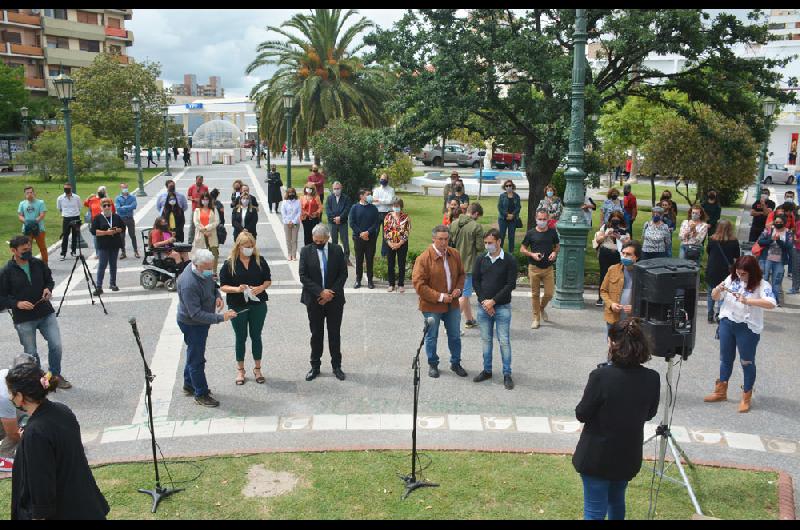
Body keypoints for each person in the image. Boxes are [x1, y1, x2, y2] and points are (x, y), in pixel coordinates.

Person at [572, 317, 660, 520]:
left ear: (612, 344)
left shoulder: (601, 376)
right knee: (617, 502)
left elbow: (582, 413)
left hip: (597, 457)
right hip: (627, 455)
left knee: (594, 511)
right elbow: (649, 413)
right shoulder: (652, 378)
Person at [6, 361, 109, 519]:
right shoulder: (62, 410)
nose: (9, 397)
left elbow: (41, 485)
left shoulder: (35, 433)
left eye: (11, 392)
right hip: (85, 502)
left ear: (20, 396)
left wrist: (38, 516)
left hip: (64, 511)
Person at [706, 255, 777, 412]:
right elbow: (715, 297)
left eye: (743, 273)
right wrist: (717, 289)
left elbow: (771, 303)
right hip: (727, 322)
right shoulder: (732, 279)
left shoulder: (762, 285)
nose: (740, 276)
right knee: (725, 358)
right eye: (738, 272)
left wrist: (748, 301)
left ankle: (746, 395)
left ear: (752, 272)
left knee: (746, 361)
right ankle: (721, 391)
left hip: (747, 327)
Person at [0, 236, 71, 389]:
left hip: (45, 312)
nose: (28, 252)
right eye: (24, 250)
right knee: (31, 353)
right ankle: (39, 380)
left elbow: (49, 280)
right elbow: (2, 297)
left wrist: (48, 289)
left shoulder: (38, 263)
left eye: (30, 249)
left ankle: (55, 375)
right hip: (24, 319)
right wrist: (17, 304)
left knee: (56, 345)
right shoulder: (6, 272)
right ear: (13, 250)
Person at [177, 249, 237, 407]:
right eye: (208, 268)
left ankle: (189, 385)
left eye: (212, 267)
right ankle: (200, 394)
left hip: (199, 323)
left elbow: (212, 285)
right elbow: (195, 314)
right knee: (197, 360)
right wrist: (221, 317)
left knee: (193, 353)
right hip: (193, 324)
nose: (211, 271)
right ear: (196, 265)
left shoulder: (201, 271)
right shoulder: (188, 284)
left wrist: (217, 297)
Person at [412, 225, 467, 379]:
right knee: (431, 336)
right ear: (433, 239)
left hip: (452, 304)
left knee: (455, 335)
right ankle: (433, 364)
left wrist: (458, 289)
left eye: (446, 239)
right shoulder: (423, 259)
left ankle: (455, 363)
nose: (444, 242)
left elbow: (462, 274)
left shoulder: (454, 254)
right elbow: (419, 285)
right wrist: (441, 297)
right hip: (431, 305)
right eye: (440, 239)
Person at [219, 232, 272, 386]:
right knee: (240, 337)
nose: (249, 249)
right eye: (246, 247)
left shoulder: (260, 261)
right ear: (238, 247)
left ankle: (257, 368)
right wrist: (237, 289)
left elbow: (268, 280)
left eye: (251, 246)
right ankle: (240, 370)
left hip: (258, 304)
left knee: (256, 336)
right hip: (237, 305)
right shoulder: (229, 264)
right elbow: (223, 286)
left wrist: (261, 288)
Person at [299, 224, 348, 381]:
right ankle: (315, 366)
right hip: (314, 300)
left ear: (328, 238)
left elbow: (343, 274)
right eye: (315, 240)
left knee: (334, 334)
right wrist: (320, 292)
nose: (318, 243)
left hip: (334, 300)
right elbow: (303, 276)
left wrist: (330, 293)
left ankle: (336, 366)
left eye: (321, 241)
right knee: (316, 334)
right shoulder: (306, 251)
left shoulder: (337, 250)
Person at [472, 228, 518, 390]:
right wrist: (485, 301)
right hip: (483, 307)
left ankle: (507, 373)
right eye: (485, 243)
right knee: (486, 340)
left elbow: (510, 284)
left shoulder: (509, 260)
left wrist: (494, 301)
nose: (487, 246)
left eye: (490, 243)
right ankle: (487, 370)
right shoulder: (480, 259)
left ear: (499, 242)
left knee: (504, 341)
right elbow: (476, 281)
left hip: (502, 307)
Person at [521, 209, 560, 329]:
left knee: (549, 293)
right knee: (535, 294)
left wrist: (554, 253)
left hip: (548, 268)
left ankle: (541, 308)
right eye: (540, 219)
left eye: (544, 219)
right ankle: (536, 318)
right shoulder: (531, 233)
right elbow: (522, 249)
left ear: (548, 219)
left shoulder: (552, 232)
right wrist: (532, 254)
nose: (542, 221)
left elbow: (557, 246)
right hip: (534, 268)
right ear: (536, 219)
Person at [450, 202, 485, 330]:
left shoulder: (454, 223)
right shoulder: (476, 227)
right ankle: (452, 323)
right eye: (478, 216)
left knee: (464, 294)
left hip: (453, 264)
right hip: (468, 266)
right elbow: (480, 247)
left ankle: (469, 320)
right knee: (465, 295)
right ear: (475, 213)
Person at [600, 241, 640, 331]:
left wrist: (635, 308)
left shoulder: (642, 274)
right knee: (613, 344)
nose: (625, 256)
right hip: (613, 318)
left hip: (632, 321)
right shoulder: (613, 269)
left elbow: (646, 298)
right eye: (623, 253)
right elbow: (603, 291)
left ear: (636, 257)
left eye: (628, 254)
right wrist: (611, 304)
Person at [705, 220, 741, 322]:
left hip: (712, 269)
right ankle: (719, 314)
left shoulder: (712, 239)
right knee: (723, 293)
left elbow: (708, 251)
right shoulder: (734, 241)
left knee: (710, 293)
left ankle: (709, 314)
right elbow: (736, 256)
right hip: (726, 271)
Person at [593, 211, 630, 307]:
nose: (615, 222)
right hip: (605, 253)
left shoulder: (624, 230)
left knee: (617, 276)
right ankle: (601, 298)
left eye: (618, 220)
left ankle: (615, 297)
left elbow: (628, 243)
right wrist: (606, 235)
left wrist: (619, 236)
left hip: (618, 254)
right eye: (614, 219)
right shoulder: (605, 227)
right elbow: (597, 240)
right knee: (604, 274)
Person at [757, 214, 793, 306]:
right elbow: (760, 241)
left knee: (776, 281)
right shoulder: (769, 230)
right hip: (767, 259)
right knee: (764, 279)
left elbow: (789, 247)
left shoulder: (788, 233)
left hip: (780, 261)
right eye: (776, 222)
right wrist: (771, 240)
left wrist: (779, 241)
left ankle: (775, 300)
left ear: (784, 223)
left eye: (780, 222)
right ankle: (761, 298)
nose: (778, 224)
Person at [90, 198, 124, 295]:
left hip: (114, 244)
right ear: (101, 207)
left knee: (113, 265)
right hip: (103, 245)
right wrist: (106, 232)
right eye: (104, 205)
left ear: (111, 206)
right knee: (102, 265)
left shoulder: (116, 217)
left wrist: (117, 230)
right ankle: (99, 286)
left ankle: (113, 283)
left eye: (108, 205)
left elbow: (123, 228)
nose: (107, 207)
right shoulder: (97, 218)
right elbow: (94, 231)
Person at [349, 188, 380, 289]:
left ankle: (370, 280)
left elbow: (376, 223)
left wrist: (367, 232)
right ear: (361, 196)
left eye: (370, 194)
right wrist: (361, 233)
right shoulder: (354, 207)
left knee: (370, 259)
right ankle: (358, 280)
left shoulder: (374, 208)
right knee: (359, 259)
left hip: (371, 238)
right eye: (368, 194)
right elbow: (352, 223)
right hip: (358, 238)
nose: (370, 196)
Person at [383, 198, 411, 293]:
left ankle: (401, 284)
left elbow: (407, 232)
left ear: (401, 207)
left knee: (401, 264)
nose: (395, 208)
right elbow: (386, 231)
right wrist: (390, 243)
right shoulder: (388, 216)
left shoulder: (406, 217)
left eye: (397, 206)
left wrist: (399, 244)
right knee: (390, 264)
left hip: (402, 244)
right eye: (394, 206)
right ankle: (391, 284)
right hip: (390, 244)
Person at [17, 186, 48, 265]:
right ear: (25, 194)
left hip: (39, 229)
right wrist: (26, 222)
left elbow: (42, 214)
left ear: (34, 193)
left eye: (31, 192)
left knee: (42, 248)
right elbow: (20, 216)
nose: (30, 194)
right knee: (27, 248)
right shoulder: (22, 203)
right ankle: (28, 264)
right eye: (28, 193)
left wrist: (34, 222)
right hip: (27, 230)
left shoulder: (40, 202)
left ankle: (45, 264)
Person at [193, 191, 220, 275]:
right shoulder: (197, 210)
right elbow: (196, 222)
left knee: (214, 254)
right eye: (203, 199)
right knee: (200, 256)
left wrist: (207, 228)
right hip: (200, 235)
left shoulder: (214, 209)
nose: (205, 201)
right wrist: (204, 231)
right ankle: (200, 272)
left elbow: (217, 221)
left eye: (207, 199)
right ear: (201, 200)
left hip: (211, 235)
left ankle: (214, 272)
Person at [326, 181, 352, 265]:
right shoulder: (329, 198)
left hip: (343, 222)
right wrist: (334, 218)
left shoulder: (346, 198)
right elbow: (328, 210)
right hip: (332, 222)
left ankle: (346, 258)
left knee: (345, 240)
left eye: (338, 188)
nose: (336, 190)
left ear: (341, 188)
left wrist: (340, 217)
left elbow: (347, 209)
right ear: (332, 189)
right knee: (334, 241)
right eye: (335, 189)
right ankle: (334, 258)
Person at [56, 182, 82, 261]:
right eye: (65, 188)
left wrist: (74, 213)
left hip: (75, 217)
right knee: (65, 236)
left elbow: (79, 207)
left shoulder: (77, 197)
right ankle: (63, 253)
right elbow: (59, 208)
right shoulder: (60, 198)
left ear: (71, 188)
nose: (66, 190)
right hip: (66, 218)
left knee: (75, 235)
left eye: (68, 188)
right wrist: (66, 213)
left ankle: (73, 251)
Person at [114, 182, 140, 260]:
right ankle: (123, 252)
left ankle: (136, 251)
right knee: (121, 236)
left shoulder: (132, 197)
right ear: (120, 188)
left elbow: (134, 206)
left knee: (132, 235)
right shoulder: (118, 198)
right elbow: (118, 208)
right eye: (123, 187)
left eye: (125, 187)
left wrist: (124, 207)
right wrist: (128, 207)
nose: (124, 189)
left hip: (129, 218)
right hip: (121, 219)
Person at [497, 179, 522, 253]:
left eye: (510, 185)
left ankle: (511, 253)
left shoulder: (516, 196)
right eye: (506, 186)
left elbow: (518, 207)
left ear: (512, 186)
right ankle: (499, 252)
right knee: (501, 236)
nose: (508, 187)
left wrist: (513, 215)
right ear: (505, 187)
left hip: (513, 219)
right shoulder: (502, 196)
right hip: (503, 219)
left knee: (511, 236)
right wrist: (506, 214)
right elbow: (499, 207)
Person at [280, 187, 301, 261]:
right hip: (287, 223)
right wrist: (288, 221)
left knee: (294, 239)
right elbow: (283, 213)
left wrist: (293, 221)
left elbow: (299, 212)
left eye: (292, 192)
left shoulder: (298, 201)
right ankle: (289, 254)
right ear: (287, 194)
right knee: (288, 239)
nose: (291, 194)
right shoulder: (285, 202)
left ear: (294, 193)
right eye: (289, 193)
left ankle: (294, 254)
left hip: (295, 223)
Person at [372, 173, 396, 237]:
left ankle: (385, 247)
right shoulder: (376, 190)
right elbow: (374, 201)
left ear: (387, 180)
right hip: (377, 213)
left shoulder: (391, 190)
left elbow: (390, 201)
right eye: (381, 179)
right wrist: (384, 201)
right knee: (375, 232)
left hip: (387, 213)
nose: (383, 180)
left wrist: (379, 200)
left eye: (384, 179)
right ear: (379, 179)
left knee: (386, 234)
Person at [187, 175, 209, 243]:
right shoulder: (191, 187)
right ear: (196, 180)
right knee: (192, 225)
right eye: (198, 179)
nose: (199, 181)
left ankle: (205, 241)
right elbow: (188, 196)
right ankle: (190, 241)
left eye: (201, 180)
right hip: (194, 209)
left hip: (203, 209)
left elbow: (208, 196)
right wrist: (193, 199)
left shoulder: (205, 187)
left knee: (204, 225)